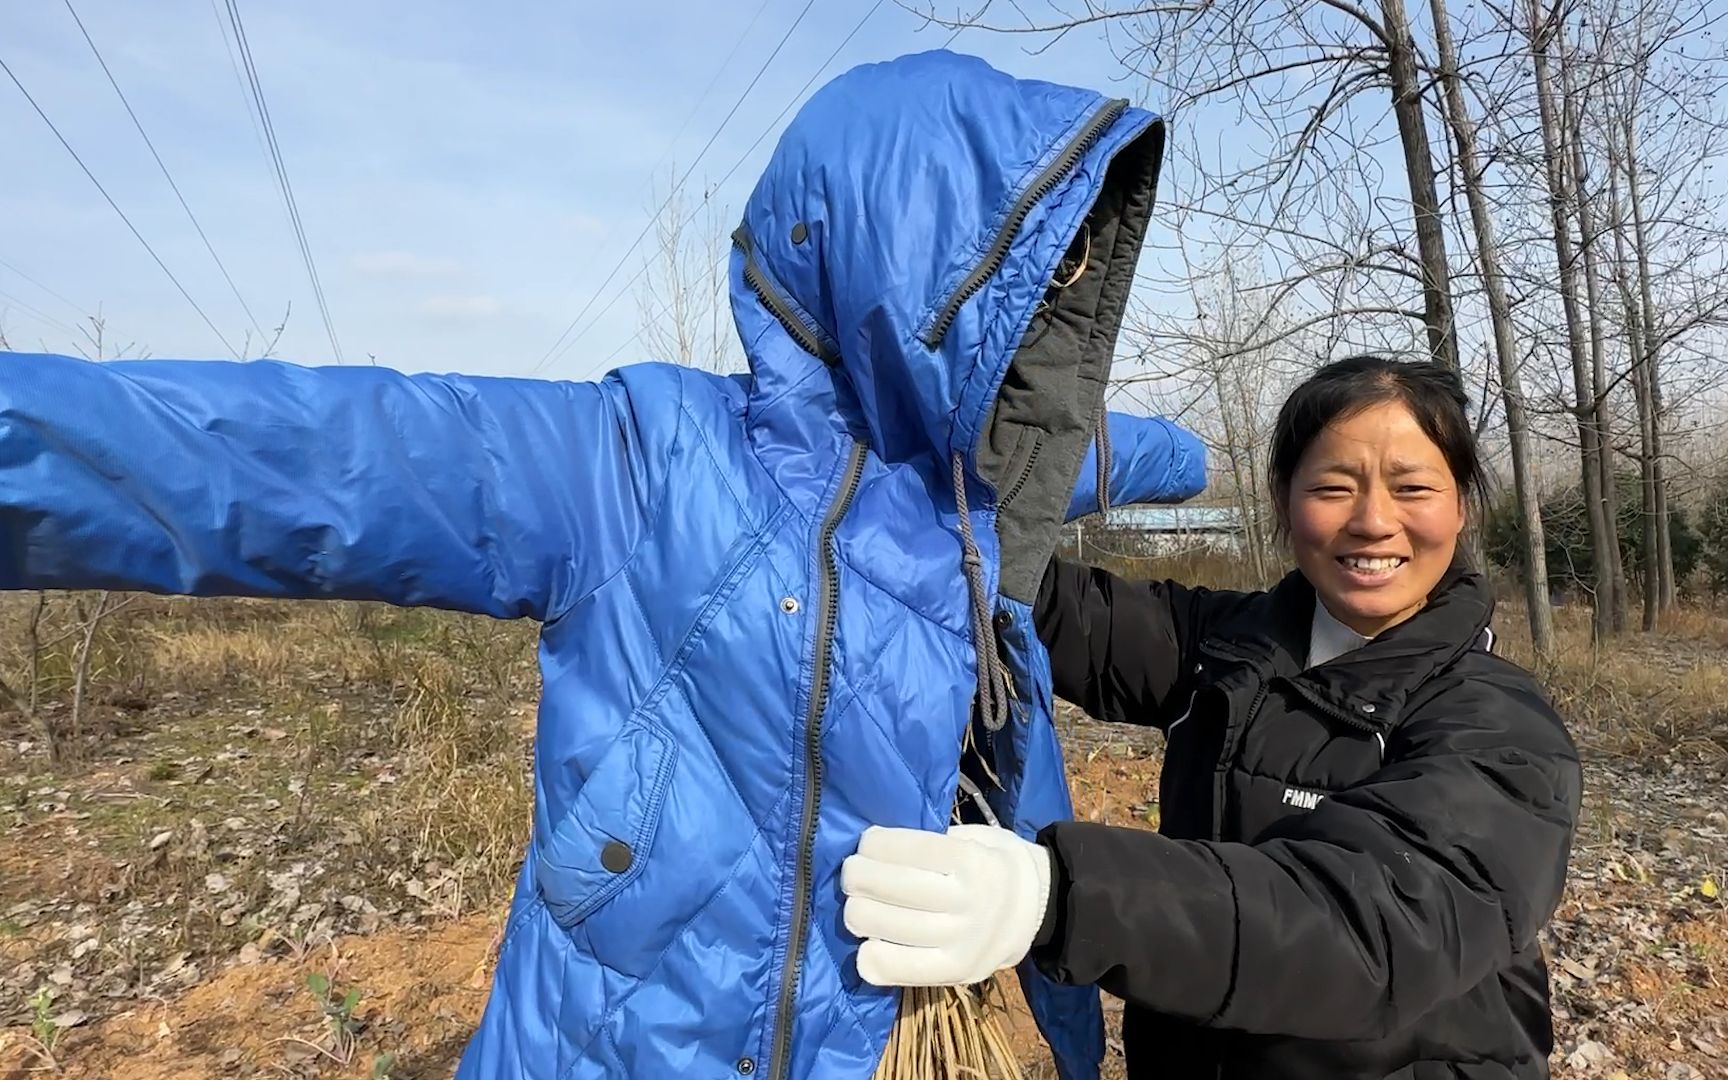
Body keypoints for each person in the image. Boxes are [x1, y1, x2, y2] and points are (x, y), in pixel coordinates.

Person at [0, 51, 1204, 1080]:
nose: (1042, 333)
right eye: (1024, 289)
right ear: (903, 279)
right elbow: (311, 460)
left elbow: (1098, 444)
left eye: (1064, 303)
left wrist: (1251, 466)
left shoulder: (979, 493)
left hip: (891, 1034)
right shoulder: (636, 464)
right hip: (625, 1040)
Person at [842, 355, 1583, 1079]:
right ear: (1284, 502)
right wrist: (928, 496)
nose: (1374, 522)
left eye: (1412, 487)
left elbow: (1369, 928)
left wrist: (1054, 894)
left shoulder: (1500, 728)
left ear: (1461, 504)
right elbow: (1027, 604)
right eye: (1333, 486)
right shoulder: (1233, 648)